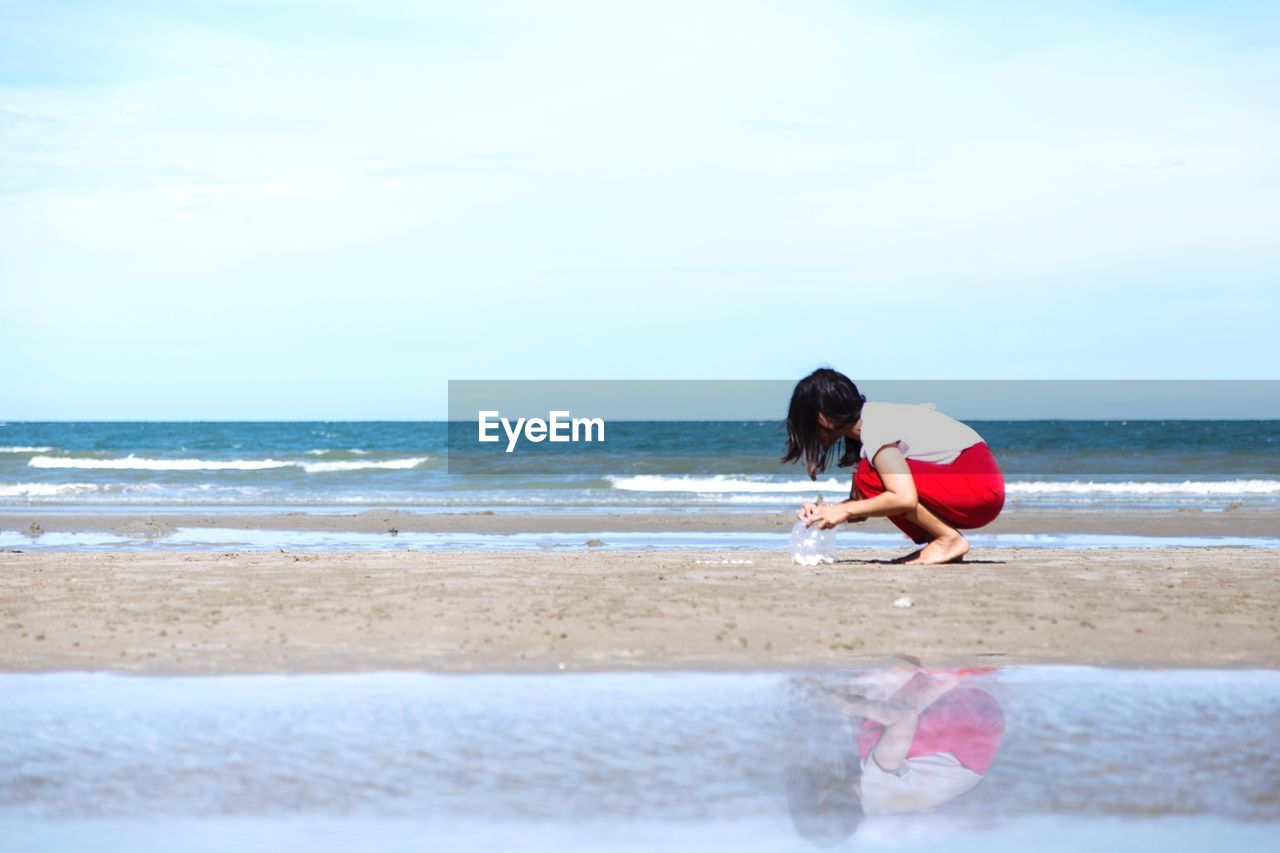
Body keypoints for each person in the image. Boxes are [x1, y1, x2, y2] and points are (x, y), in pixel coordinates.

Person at [782, 368, 1005, 565]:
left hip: (978, 487)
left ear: (822, 417)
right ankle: (942, 542)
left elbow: (903, 498)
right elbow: (862, 505)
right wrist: (827, 511)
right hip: (977, 487)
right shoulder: (865, 430)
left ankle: (947, 540)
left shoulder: (876, 427)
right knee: (870, 477)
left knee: (870, 476)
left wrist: (844, 510)